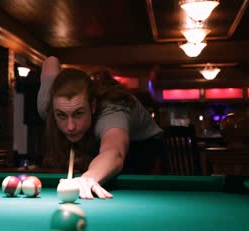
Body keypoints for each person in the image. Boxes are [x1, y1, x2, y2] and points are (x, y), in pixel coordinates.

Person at [37, 56, 163, 200]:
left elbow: (113, 151)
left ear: (93, 106)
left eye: (78, 113)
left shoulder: (112, 111)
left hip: (142, 147)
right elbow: (51, 60)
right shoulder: (46, 104)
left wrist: (89, 177)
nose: (70, 126)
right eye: (61, 115)